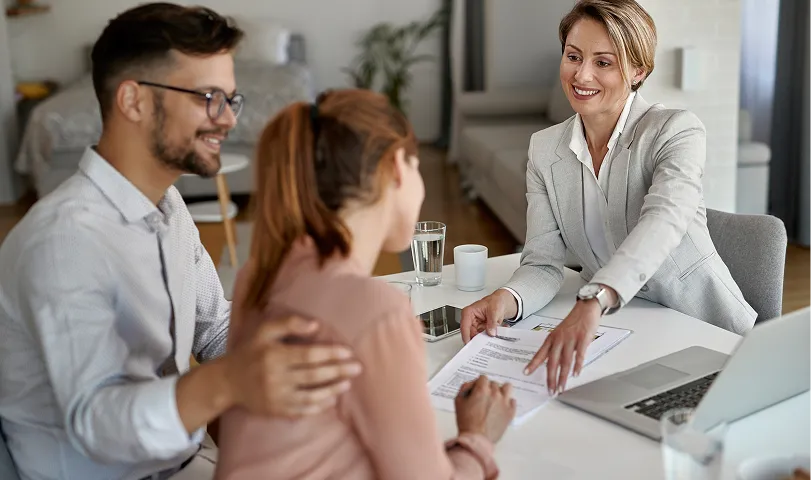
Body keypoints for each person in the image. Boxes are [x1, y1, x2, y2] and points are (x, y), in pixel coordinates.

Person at [0, 4, 362, 479]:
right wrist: (230, 380)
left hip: (187, 459)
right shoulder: (63, 243)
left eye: (231, 100)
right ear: (133, 102)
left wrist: (303, 346)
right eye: (209, 97)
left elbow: (213, 329)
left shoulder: (167, 207)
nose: (228, 120)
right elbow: (97, 424)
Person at [213, 89, 516, 479]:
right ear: (397, 168)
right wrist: (478, 438)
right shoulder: (375, 308)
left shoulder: (257, 273)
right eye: (418, 165)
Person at [461, 0, 756, 395]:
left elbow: (663, 220)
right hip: (625, 333)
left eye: (604, 62)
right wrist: (507, 298)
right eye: (573, 56)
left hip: (705, 336)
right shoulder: (544, 150)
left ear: (638, 71)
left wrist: (594, 300)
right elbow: (544, 263)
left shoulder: (676, 131)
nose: (581, 74)